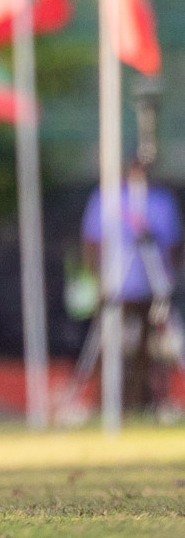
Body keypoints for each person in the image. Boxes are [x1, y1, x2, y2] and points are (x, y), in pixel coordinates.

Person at [81, 158, 182, 412]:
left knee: (148, 349)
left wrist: (168, 277)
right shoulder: (107, 198)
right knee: (110, 345)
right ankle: (107, 401)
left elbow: (173, 245)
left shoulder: (161, 201)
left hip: (151, 287)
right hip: (117, 285)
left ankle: (143, 399)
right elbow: (92, 242)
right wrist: (98, 278)